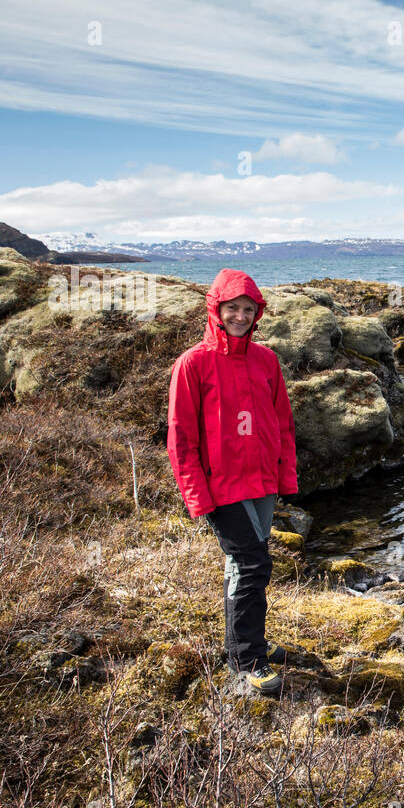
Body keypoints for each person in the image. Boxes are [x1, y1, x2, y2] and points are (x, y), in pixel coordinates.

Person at [166, 268, 298, 695]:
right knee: (253, 564)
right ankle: (247, 661)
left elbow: (282, 424)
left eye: (247, 309)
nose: (240, 316)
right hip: (221, 487)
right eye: (232, 308)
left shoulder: (266, 360)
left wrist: (284, 476)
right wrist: (196, 496)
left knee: (241, 566)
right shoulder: (193, 363)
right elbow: (180, 438)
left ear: (257, 313)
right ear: (216, 310)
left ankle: (247, 641)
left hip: (261, 482)